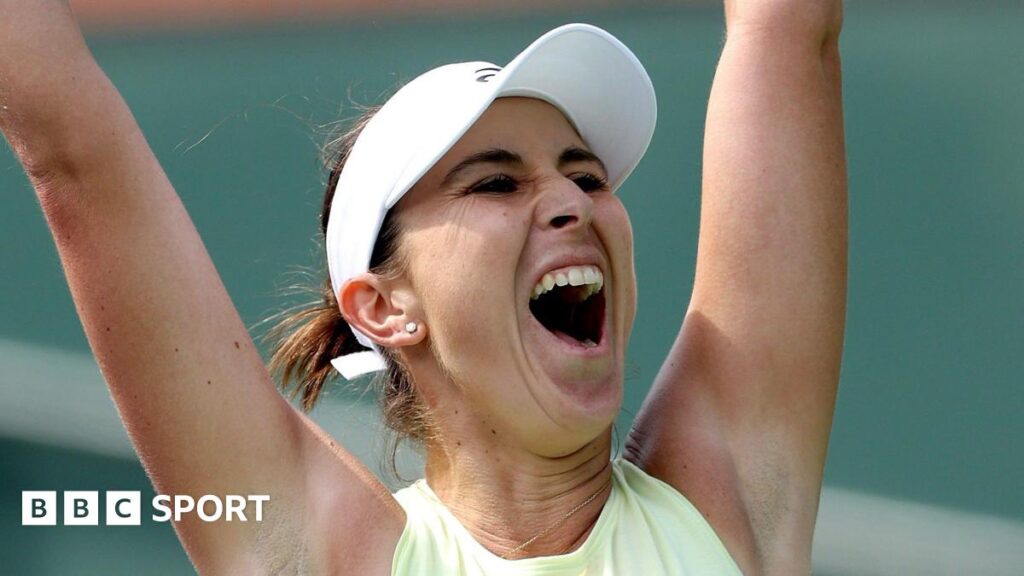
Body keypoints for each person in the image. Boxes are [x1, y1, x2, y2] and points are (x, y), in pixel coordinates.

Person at [0, 1, 846, 574]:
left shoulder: (722, 495)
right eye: (495, 184)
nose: (570, 204)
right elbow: (70, 144)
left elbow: (786, 32)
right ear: (383, 307)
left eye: (586, 177)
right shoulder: (326, 552)